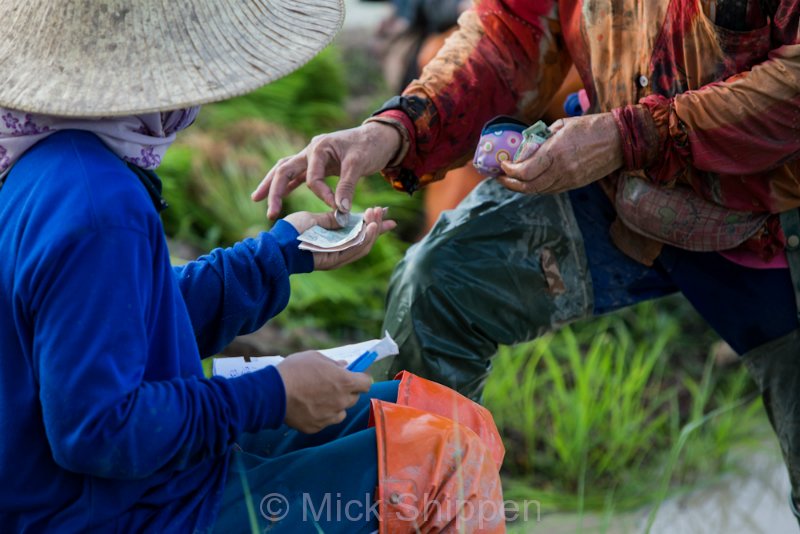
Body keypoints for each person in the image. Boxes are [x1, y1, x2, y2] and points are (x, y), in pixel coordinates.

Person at [255, 0, 800, 520]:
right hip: (618, 180)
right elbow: (510, 32)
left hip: (776, 207)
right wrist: (391, 130)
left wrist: (630, 135)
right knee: (441, 283)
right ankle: (431, 510)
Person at [0, 1, 505, 532]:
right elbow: (97, 431)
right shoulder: (101, 207)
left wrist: (277, 255)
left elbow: (125, 323)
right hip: (126, 509)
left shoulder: (50, 165)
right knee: (444, 461)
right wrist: (272, 395)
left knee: (447, 418)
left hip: (132, 482)